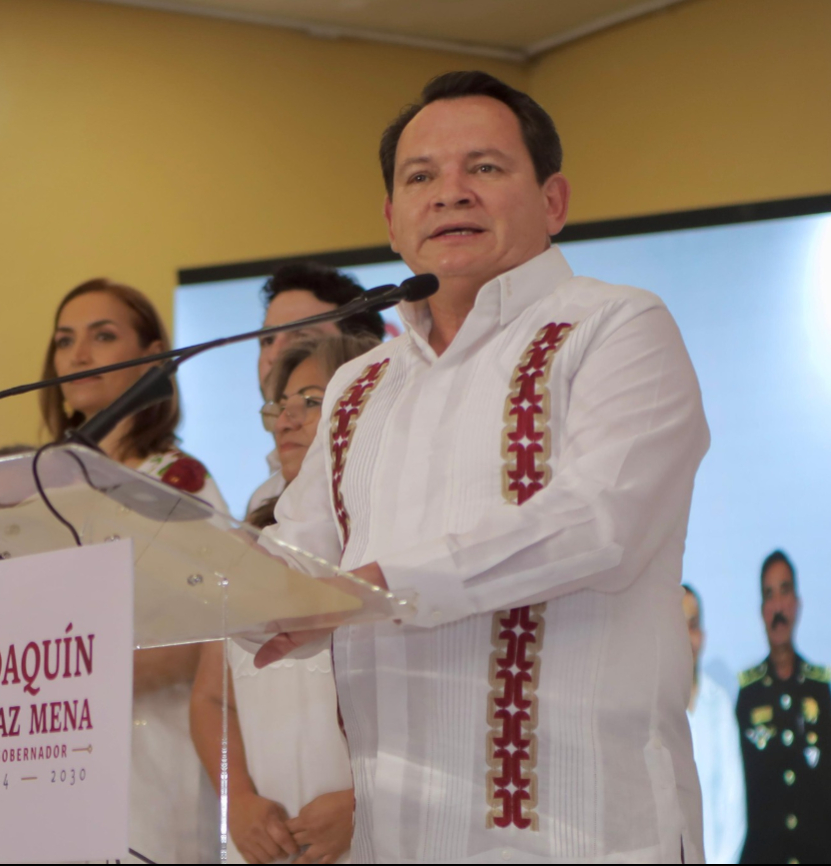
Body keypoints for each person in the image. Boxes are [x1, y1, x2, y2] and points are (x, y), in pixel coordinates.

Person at [255, 71, 711, 862]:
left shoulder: (614, 327)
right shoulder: (361, 385)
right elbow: (293, 560)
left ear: (553, 200)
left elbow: (597, 525)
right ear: (392, 221)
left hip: (584, 832)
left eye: (485, 168)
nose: (449, 194)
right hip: (392, 836)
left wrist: (369, 590)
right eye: (420, 177)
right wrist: (190, 576)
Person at [42, 277, 229, 863]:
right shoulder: (43, 489)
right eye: (65, 340)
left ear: (153, 359)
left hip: (147, 754)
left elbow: (212, 631)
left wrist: (76, 683)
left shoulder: (177, 480)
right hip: (49, 751)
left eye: (102, 336)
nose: (79, 354)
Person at [193, 332, 379, 865]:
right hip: (265, 845)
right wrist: (239, 801)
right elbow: (213, 698)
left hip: (376, 837)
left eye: (313, 402)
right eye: (281, 405)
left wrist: (363, 804)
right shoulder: (252, 549)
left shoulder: (391, 548)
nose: (286, 420)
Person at [736, 551, 831, 864]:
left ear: (797, 604)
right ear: (762, 610)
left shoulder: (819, 688)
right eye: (769, 595)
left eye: (785, 591)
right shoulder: (747, 696)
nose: (778, 607)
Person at [247, 264, 387, 520]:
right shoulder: (263, 497)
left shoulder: (385, 487)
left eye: (301, 336)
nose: (274, 355)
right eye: (267, 340)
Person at [682, 585, 745, 864]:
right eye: (677, 626)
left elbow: (734, 808)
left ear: (702, 636)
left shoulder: (719, 705)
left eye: (692, 626)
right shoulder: (652, 708)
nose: (685, 638)